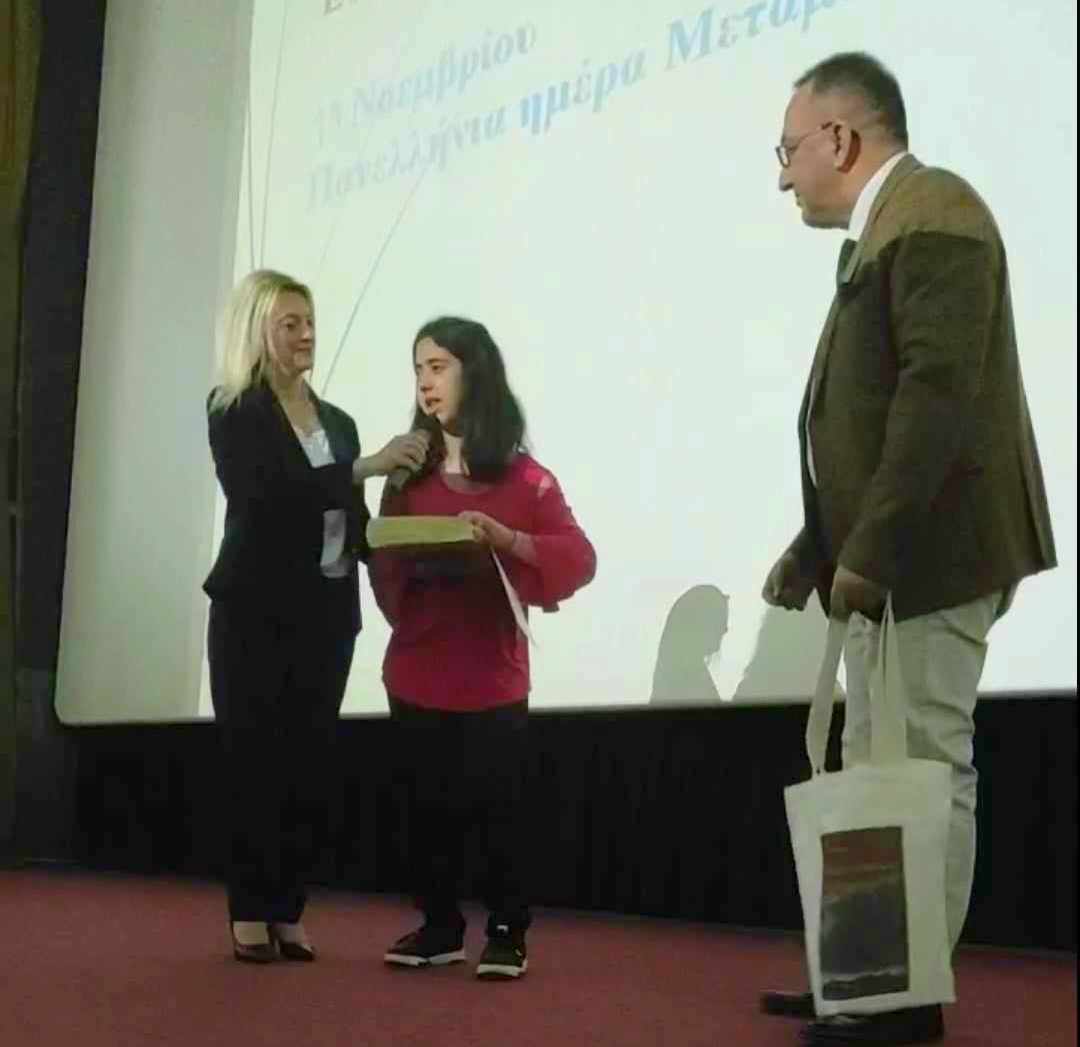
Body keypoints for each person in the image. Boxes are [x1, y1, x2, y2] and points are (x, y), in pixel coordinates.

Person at [759, 54, 1056, 1045]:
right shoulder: (898, 223)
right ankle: (867, 976)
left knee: (923, 766)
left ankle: (903, 998)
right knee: (875, 769)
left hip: (931, 559)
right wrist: (817, 544)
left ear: (841, 138)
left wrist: (872, 546)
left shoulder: (934, 216)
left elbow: (937, 401)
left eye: (788, 150)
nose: (783, 176)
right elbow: (877, 416)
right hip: (896, 560)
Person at [204, 269, 429, 963]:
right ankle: (249, 908)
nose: (306, 335)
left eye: (309, 322)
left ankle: (287, 908)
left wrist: (407, 524)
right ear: (257, 331)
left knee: (308, 768)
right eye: (290, 323)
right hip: (254, 612)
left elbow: (346, 518)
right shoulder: (233, 409)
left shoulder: (339, 422)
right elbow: (266, 494)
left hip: (327, 615)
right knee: (255, 763)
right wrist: (364, 466)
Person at [370, 316, 596, 980]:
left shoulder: (528, 479)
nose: (425, 381)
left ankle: (506, 930)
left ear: (476, 372)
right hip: (417, 664)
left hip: (492, 674)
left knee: (500, 813)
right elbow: (382, 563)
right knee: (424, 811)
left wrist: (505, 540)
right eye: (419, 369)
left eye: (438, 366)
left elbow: (578, 557)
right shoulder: (407, 477)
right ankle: (439, 925)